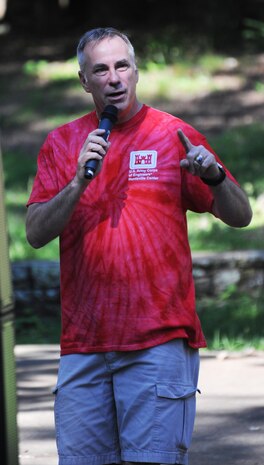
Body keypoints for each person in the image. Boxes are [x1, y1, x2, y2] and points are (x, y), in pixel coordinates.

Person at [26, 27, 252, 465]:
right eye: (101, 69)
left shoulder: (174, 135)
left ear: (136, 72)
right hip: (84, 347)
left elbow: (241, 215)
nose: (114, 78)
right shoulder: (63, 143)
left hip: (157, 342)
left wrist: (216, 177)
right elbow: (35, 232)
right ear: (84, 81)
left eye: (122, 66)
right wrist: (77, 182)